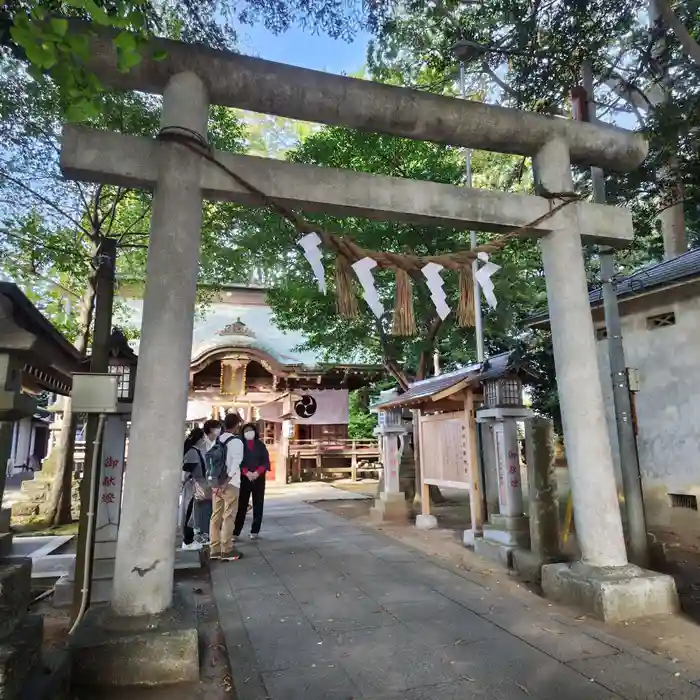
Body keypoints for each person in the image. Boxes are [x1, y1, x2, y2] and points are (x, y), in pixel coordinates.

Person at [208, 412, 244, 561]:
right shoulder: (237, 442)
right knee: (229, 515)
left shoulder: (216, 440)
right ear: (237, 426)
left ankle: (214, 549)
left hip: (216, 484)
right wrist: (225, 482)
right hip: (230, 484)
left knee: (215, 516)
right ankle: (227, 549)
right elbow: (235, 465)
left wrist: (215, 484)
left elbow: (210, 463)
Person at [234, 422, 270, 541]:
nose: (249, 432)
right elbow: (238, 461)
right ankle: (236, 531)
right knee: (242, 505)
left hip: (258, 478)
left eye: (251, 430)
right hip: (244, 478)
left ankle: (255, 530)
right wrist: (246, 472)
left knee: (258, 504)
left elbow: (265, 461)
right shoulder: (240, 445)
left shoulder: (260, 445)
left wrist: (257, 472)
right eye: (246, 430)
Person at [180, 427, 206, 551]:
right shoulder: (193, 453)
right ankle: (188, 541)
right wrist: (181, 485)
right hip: (193, 488)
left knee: (193, 514)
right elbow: (186, 473)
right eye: (203, 437)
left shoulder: (194, 451)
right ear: (199, 439)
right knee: (190, 514)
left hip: (196, 487)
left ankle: (190, 539)